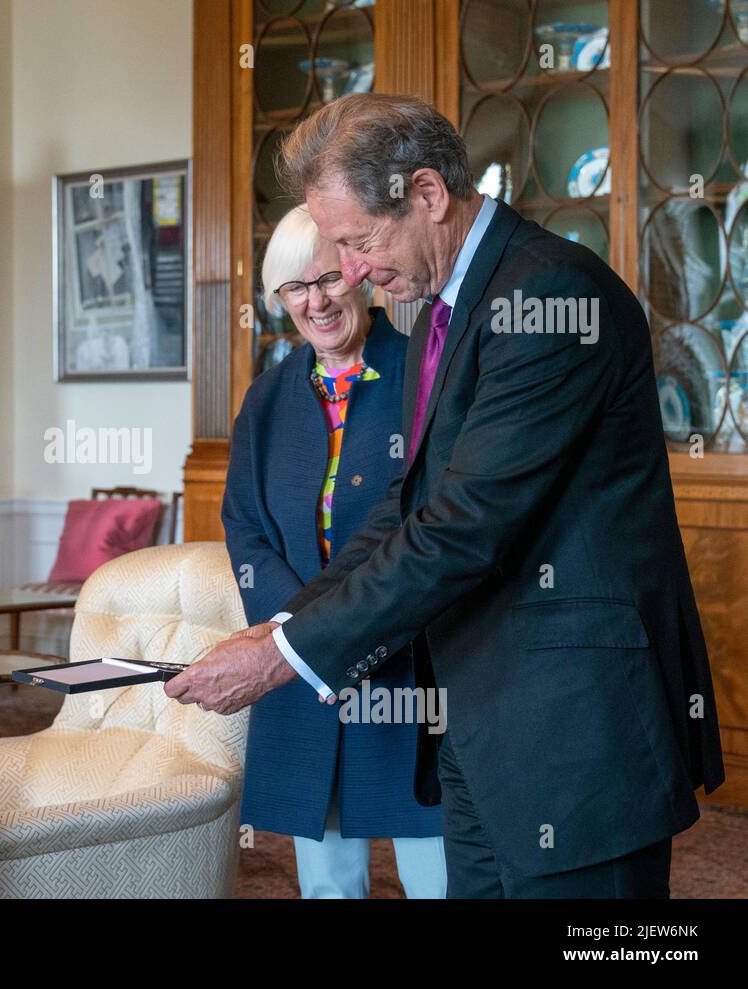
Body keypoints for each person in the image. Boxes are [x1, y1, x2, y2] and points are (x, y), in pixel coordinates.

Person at [167, 93, 724, 898]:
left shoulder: (549, 298)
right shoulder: (444, 311)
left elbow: (463, 528)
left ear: (426, 194)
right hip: (479, 730)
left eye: (358, 242)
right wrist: (284, 625)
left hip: (574, 736)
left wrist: (280, 658)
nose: (350, 273)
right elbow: (410, 503)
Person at [225, 204, 445, 898]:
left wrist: (336, 630)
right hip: (301, 670)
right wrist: (296, 631)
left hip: (408, 666)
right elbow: (245, 526)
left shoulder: (422, 373)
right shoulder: (267, 397)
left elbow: (429, 523)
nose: (315, 300)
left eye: (328, 277)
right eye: (295, 287)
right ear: (278, 300)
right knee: (328, 884)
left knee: (437, 877)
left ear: (362, 274)